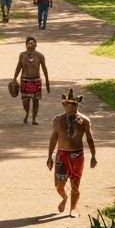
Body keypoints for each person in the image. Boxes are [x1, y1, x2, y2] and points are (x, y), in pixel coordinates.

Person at [47, 88, 97, 218]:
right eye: (67, 105)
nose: (70, 108)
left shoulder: (84, 121)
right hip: (61, 154)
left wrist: (93, 156)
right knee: (59, 186)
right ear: (63, 106)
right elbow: (53, 138)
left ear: (77, 106)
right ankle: (64, 197)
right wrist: (50, 156)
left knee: (75, 185)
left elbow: (89, 139)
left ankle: (73, 208)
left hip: (77, 155)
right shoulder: (58, 120)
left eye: (73, 105)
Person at [12, 35, 50, 124]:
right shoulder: (22, 55)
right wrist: (14, 78)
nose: (31, 45)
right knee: (25, 101)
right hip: (25, 80)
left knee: (36, 100)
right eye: (29, 43)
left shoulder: (40, 56)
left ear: (36, 45)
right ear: (26, 44)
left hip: (36, 81)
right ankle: (27, 113)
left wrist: (47, 81)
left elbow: (44, 68)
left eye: (33, 43)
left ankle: (34, 119)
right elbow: (18, 67)